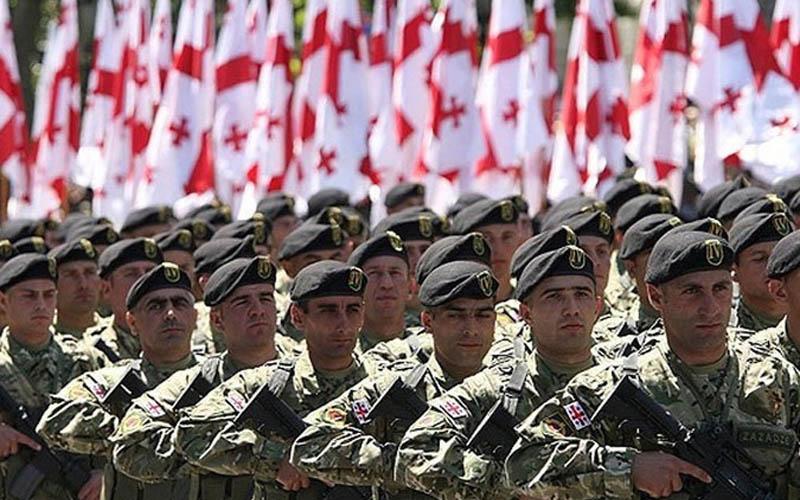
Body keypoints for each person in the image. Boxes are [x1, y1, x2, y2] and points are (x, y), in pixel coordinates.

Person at [503, 231, 800, 498]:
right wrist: (628, 469)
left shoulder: (777, 378)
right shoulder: (613, 386)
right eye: (692, 291)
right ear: (656, 296)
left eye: (720, 289)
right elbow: (523, 463)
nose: (710, 307)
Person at [395, 246, 602, 499]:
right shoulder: (496, 390)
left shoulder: (620, 382)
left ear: (598, 306)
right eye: (554, 297)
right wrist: (516, 481)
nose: (572, 309)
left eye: (581, 294)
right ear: (526, 314)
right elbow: (414, 454)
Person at [290, 261, 500, 499]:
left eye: (483, 315)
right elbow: (310, 442)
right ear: (428, 322)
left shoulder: (513, 391)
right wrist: (404, 463)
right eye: (456, 315)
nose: (471, 329)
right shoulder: (395, 389)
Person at [174, 261, 380, 498]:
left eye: (353, 309)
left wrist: (318, 455)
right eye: (328, 310)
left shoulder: (380, 382)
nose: (343, 323)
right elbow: (191, 433)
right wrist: (276, 457)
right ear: (297, 317)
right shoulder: (266, 384)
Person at [110, 255, 282, 499]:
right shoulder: (194, 384)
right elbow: (130, 446)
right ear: (217, 320)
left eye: (265, 298)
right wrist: (246, 455)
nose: (257, 310)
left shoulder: (304, 375)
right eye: (243, 302)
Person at [37, 263, 200, 500]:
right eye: (156, 306)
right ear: (132, 322)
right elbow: (54, 420)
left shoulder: (221, 378)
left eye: (180, 303)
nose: (170, 314)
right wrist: (134, 435)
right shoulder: (114, 382)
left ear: (195, 316)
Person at [0, 254, 104, 500]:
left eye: (48, 295)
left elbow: (124, 425)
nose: (41, 305)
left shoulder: (87, 360)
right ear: (3, 302)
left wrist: (105, 473)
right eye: (29, 296)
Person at [86, 238, 164, 361]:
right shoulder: (93, 350)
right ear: (106, 289)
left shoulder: (184, 338)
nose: (144, 280)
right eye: (131, 274)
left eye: (151, 272)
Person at [348, 231, 413, 352]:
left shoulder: (433, 349)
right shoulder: (340, 354)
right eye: (374, 273)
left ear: (410, 286)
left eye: (394, 273)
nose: (386, 284)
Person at [729, 212, 793, 333]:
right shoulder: (721, 330)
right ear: (734, 270)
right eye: (760, 259)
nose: (773, 265)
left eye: (782, 256)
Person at [49, 238, 106, 340]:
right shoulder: (40, 338)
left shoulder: (118, 333)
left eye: (90, 272)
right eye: (71, 275)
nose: (83, 285)